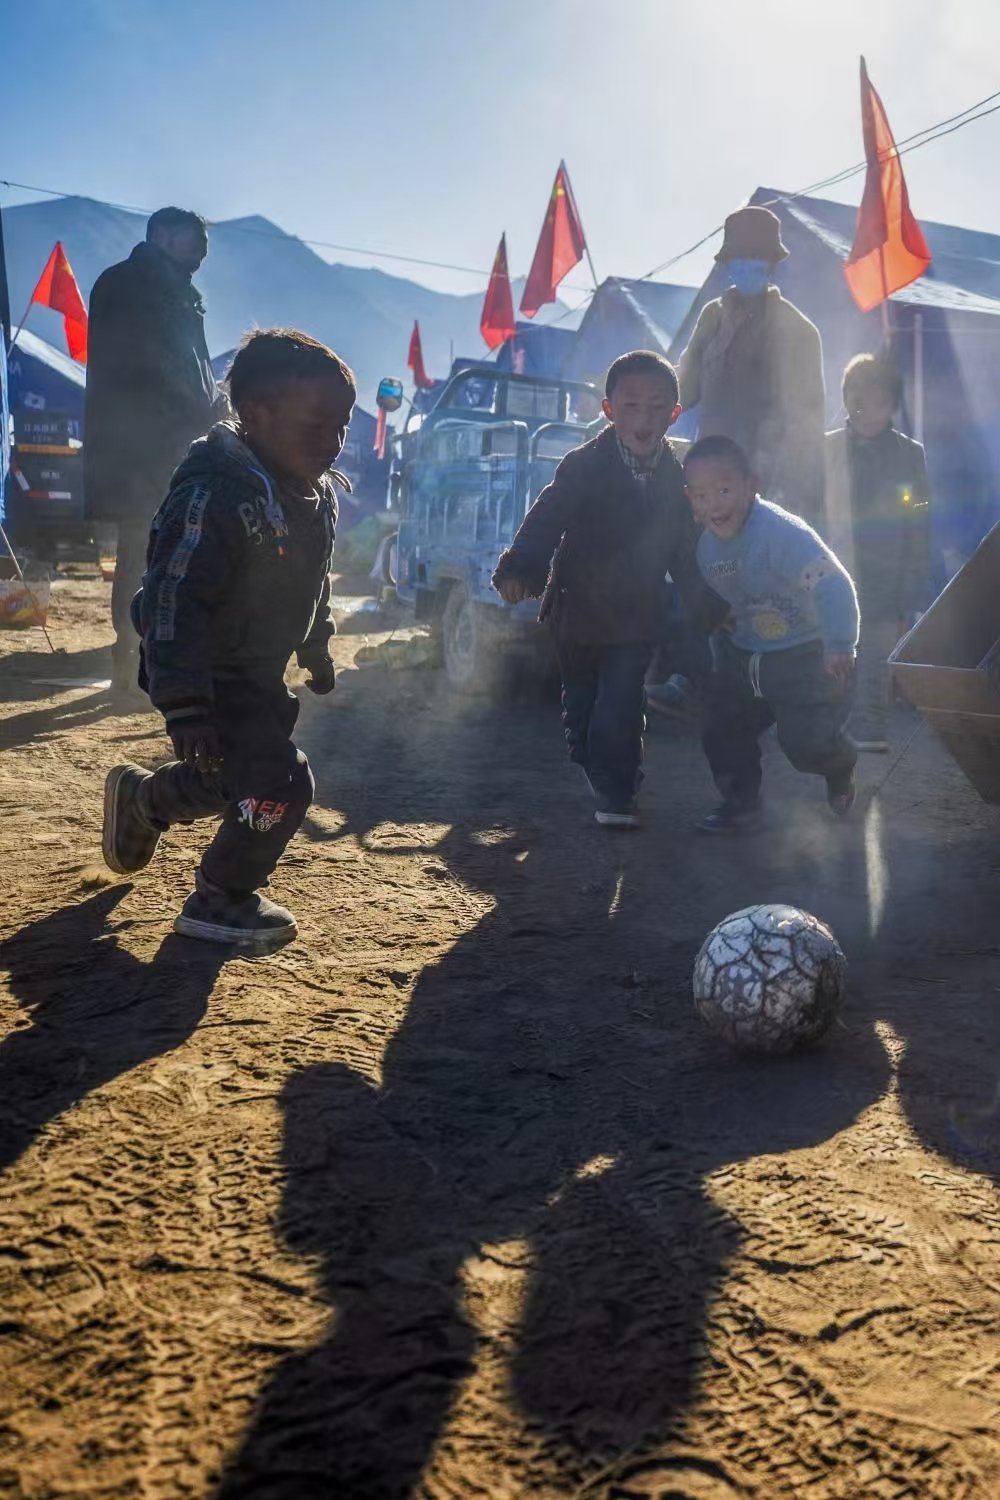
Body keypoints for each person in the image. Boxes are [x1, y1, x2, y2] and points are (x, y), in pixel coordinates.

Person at [100, 328, 356, 952]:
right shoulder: (215, 494)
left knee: (231, 772)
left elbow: (313, 583)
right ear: (255, 414)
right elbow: (172, 599)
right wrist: (185, 703)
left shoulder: (313, 494)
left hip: (257, 670)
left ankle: (144, 801)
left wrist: (316, 646)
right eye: (315, 425)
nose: (331, 443)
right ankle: (222, 894)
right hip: (200, 669)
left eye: (341, 427)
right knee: (280, 780)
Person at [492, 350, 723, 830]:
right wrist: (521, 567)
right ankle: (595, 761)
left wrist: (710, 605)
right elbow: (547, 518)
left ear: (675, 414)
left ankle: (617, 793)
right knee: (580, 710)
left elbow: (686, 551)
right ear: (609, 410)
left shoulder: (678, 479)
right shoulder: (584, 466)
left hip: (636, 615)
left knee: (621, 701)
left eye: (658, 407)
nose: (645, 419)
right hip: (577, 610)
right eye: (632, 405)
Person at [686, 434, 859, 833]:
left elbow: (833, 584)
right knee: (722, 727)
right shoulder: (706, 549)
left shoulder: (782, 535)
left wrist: (839, 645)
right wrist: (721, 623)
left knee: (803, 745)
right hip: (744, 655)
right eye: (701, 496)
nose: (714, 505)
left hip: (803, 655)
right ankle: (740, 802)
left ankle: (839, 764)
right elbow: (721, 595)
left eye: (724, 490)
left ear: (751, 485)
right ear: (690, 501)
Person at [84, 207, 221, 691]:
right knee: (143, 548)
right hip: (146, 445)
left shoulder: (175, 289)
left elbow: (192, 367)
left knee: (158, 549)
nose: (203, 250)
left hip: (170, 442)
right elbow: (161, 363)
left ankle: (148, 662)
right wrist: (205, 411)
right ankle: (130, 666)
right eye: (194, 239)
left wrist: (214, 402)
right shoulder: (136, 285)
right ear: (162, 234)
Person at [677, 206, 826, 525]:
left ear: (771, 266)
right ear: (727, 266)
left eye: (755, 264)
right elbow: (683, 390)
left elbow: (807, 427)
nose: (745, 272)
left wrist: (789, 496)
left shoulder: (798, 330)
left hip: (764, 489)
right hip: (707, 484)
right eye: (738, 264)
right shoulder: (712, 317)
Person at [824, 353, 932, 752]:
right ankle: (832, 729)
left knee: (876, 657)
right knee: (834, 654)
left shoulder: (909, 454)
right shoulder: (826, 450)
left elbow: (919, 518)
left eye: (879, 398)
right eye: (857, 397)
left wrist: (913, 586)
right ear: (845, 398)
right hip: (833, 569)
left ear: (893, 405)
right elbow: (807, 509)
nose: (867, 407)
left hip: (888, 575)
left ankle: (872, 728)